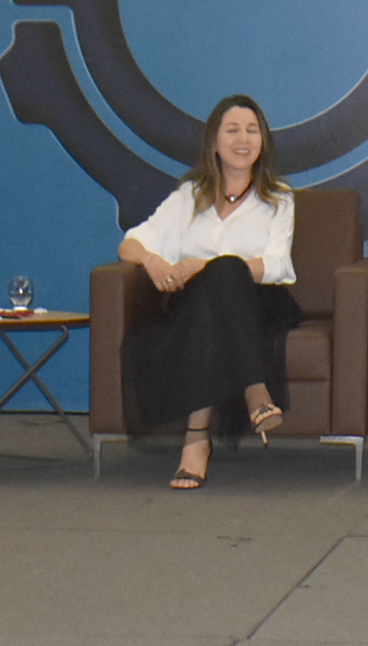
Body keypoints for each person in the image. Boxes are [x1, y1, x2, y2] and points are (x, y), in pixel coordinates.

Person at [117, 95, 300, 490]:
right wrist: (152, 261)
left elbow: (278, 265)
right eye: (232, 130)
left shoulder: (278, 198)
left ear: (263, 141)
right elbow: (131, 243)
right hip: (198, 305)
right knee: (209, 305)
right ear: (214, 141)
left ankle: (196, 441)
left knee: (227, 271)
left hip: (259, 303)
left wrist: (205, 265)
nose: (243, 139)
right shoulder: (189, 196)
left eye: (252, 131)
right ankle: (256, 392)